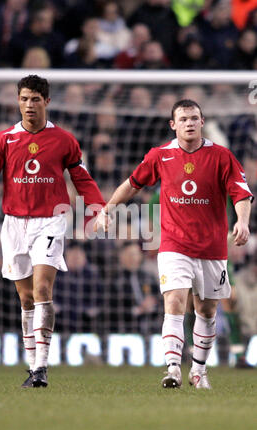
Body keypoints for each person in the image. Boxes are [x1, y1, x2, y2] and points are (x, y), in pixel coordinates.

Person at [94, 98, 253, 390]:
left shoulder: (221, 156)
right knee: (175, 302)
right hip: (174, 245)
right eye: (183, 119)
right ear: (173, 125)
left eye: (194, 118)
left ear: (202, 122)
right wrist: (108, 208)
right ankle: (172, 369)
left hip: (212, 249)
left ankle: (199, 370)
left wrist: (242, 221)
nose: (189, 123)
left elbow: (242, 193)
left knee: (206, 311)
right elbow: (132, 183)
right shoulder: (160, 155)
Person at [0, 74, 105, 388]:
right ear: (18, 101)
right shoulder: (3, 140)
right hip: (14, 224)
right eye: (25, 99)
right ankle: (32, 366)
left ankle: (41, 367)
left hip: (51, 220)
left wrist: (97, 209)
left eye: (36, 99)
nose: (29, 105)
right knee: (26, 298)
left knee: (43, 290)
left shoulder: (64, 140)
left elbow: (82, 178)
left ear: (47, 102)